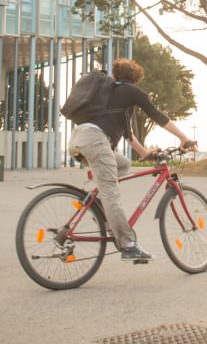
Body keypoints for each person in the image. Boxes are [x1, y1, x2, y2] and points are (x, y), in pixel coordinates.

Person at [67, 58, 197, 262]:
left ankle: (99, 203)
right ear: (136, 77)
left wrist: (146, 154)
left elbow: (129, 137)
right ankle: (128, 244)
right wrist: (183, 138)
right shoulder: (132, 91)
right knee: (111, 194)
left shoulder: (111, 95)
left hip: (77, 140)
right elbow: (158, 115)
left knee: (124, 164)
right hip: (95, 141)